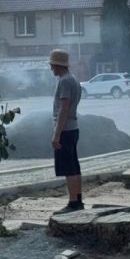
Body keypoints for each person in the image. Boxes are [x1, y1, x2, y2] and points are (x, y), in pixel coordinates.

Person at [49, 50, 83, 214]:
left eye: (52, 65)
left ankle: (73, 203)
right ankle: (78, 199)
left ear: (57, 65)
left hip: (65, 130)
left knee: (68, 167)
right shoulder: (74, 79)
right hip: (73, 128)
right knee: (75, 165)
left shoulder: (64, 82)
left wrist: (56, 134)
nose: (51, 69)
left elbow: (64, 109)